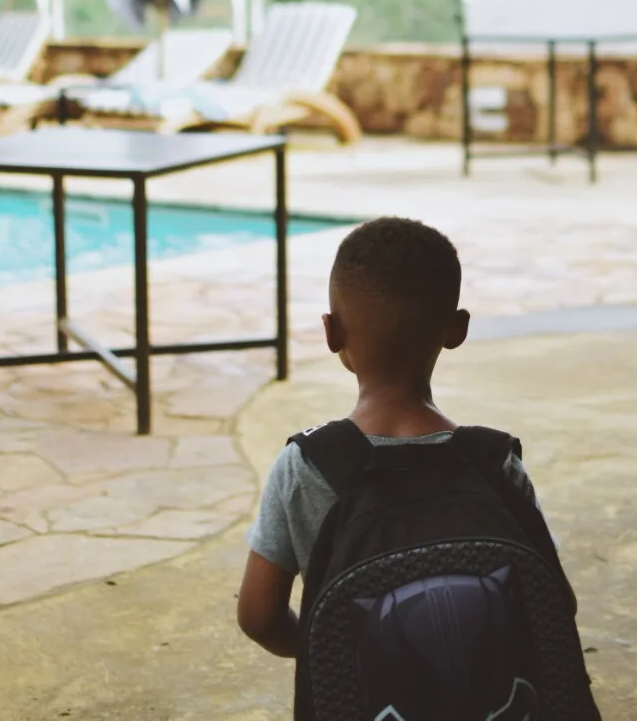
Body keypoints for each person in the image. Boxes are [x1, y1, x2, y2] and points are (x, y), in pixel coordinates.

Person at [237, 217, 596, 719]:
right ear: (457, 330)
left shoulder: (306, 468)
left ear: (331, 331)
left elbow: (258, 616)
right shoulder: (496, 463)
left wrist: (342, 650)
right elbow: (556, 605)